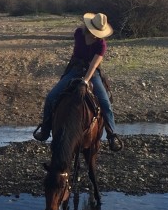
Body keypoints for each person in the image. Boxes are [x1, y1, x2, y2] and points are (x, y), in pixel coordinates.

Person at [33, 11, 123, 151]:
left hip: (92, 73)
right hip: (75, 68)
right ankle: (45, 129)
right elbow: (78, 54)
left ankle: (112, 135)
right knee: (51, 96)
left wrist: (86, 81)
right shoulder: (78, 34)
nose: (96, 35)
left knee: (105, 103)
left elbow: (93, 65)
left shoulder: (101, 45)